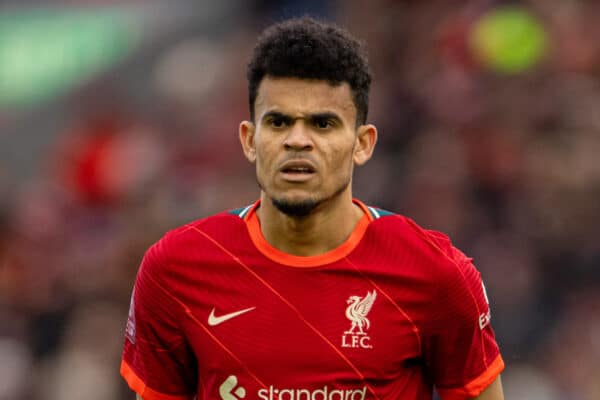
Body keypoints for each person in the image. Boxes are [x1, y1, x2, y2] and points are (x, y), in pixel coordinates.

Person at [120, 17, 505, 400]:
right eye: (278, 122)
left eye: (322, 124)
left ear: (363, 144)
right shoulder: (174, 269)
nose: (298, 140)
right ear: (250, 139)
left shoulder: (436, 273)